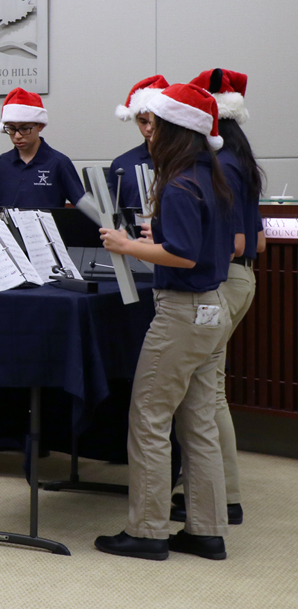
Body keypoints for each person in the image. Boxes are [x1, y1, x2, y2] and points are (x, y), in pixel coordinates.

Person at [95, 82, 235, 561]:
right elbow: (206, 245)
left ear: (177, 130)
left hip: (182, 312)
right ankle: (207, 531)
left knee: (149, 417)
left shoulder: (177, 184)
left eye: (156, 125)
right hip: (213, 307)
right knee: (199, 422)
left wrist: (127, 245)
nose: (149, 133)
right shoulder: (211, 176)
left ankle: (148, 530)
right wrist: (158, 238)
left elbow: (183, 255)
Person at [167, 68, 266, 527]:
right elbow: (258, 242)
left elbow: (239, 242)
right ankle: (221, 496)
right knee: (210, 393)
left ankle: (222, 498)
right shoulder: (241, 159)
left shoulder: (219, 165)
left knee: (207, 397)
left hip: (223, 279)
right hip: (242, 279)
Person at [0, 87, 84, 208]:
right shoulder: (1, 164)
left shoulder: (59, 163)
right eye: (11, 129)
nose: (17, 136)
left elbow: (84, 207)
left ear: (40, 126)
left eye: (25, 128)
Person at [110, 75, 168, 208]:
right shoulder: (122, 164)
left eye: (155, 121)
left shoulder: (186, 161)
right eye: (143, 121)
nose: (149, 128)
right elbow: (115, 212)